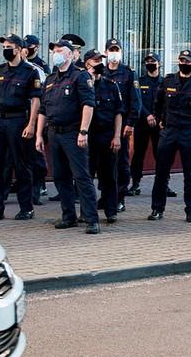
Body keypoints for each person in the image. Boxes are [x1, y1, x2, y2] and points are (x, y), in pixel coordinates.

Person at [36, 39, 99, 233]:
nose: (56, 53)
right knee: (60, 177)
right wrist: (39, 135)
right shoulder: (50, 79)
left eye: (60, 50)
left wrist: (83, 131)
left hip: (73, 133)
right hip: (54, 133)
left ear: (71, 54)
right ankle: (68, 216)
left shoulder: (80, 76)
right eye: (54, 50)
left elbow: (88, 105)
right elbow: (43, 110)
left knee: (81, 177)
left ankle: (91, 219)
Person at [149, 49, 191, 222]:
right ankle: (157, 208)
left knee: (189, 173)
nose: (184, 64)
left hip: (189, 132)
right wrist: (160, 119)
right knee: (161, 172)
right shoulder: (168, 80)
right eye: (182, 61)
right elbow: (158, 103)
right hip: (169, 131)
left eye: (188, 61)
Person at [0, 34, 41, 222]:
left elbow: (35, 99)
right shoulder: (0, 70)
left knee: (21, 165)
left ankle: (26, 208)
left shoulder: (30, 71)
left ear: (18, 49)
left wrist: (31, 124)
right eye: (4, 47)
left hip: (17, 121)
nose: (5, 50)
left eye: (9, 46)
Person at [129, 52, 177, 199]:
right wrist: (148, 115)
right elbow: (137, 101)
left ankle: (164, 184)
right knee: (138, 154)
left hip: (160, 124)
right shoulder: (140, 81)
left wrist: (158, 117)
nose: (150, 63)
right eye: (148, 61)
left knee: (162, 155)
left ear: (159, 64)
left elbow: (167, 103)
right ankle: (135, 184)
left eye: (153, 61)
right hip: (142, 122)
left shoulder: (165, 82)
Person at [85, 49, 124, 225]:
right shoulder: (81, 84)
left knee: (109, 176)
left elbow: (118, 112)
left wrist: (117, 136)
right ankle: (86, 212)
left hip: (107, 135)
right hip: (87, 137)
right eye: (96, 61)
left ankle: (110, 211)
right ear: (87, 63)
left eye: (101, 60)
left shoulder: (111, 85)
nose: (100, 64)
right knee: (85, 176)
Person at [102, 38, 141, 211]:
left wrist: (131, 123)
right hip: (103, 124)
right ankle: (106, 196)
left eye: (117, 50)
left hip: (123, 123)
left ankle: (120, 197)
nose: (114, 53)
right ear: (105, 52)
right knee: (103, 163)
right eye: (111, 50)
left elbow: (135, 100)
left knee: (121, 162)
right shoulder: (101, 72)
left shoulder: (128, 73)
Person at [22, 39, 48, 205]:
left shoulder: (37, 69)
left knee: (35, 156)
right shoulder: (6, 70)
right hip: (16, 119)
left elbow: (42, 97)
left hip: (35, 118)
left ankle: (37, 188)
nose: (25, 51)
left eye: (27, 48)